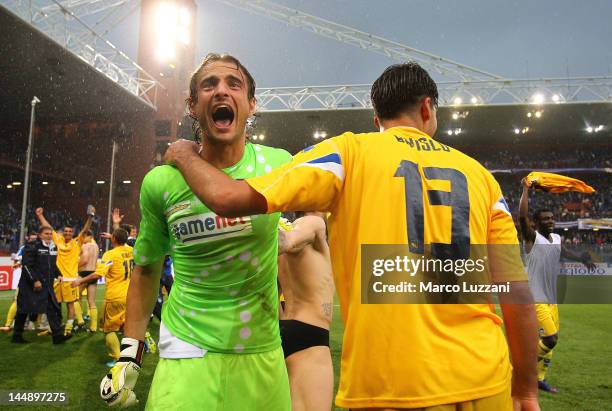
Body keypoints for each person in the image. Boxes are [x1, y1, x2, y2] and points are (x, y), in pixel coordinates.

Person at [165, 62, 541, 410]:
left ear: (376, 117)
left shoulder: (349, 154)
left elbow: (228, 198)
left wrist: (183, 154)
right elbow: (516, 292)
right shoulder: (481, 178)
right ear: (428, 109)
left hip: (392, 385)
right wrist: (524, 388)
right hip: (486, 376)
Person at [100, 53, 293, 409]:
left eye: (234, 84)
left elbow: (320, 215)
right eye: (209, 84)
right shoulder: (161, 182)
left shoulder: (278, 165)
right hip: (186, 348)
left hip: (260, 350)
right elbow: (146, 269)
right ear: (192, 104)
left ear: (251, 104)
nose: (221, 91)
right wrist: (129, 354)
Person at [519, 178, 596, 393]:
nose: (550, 221)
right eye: (545, 219)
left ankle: (539, 379)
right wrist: (526, 190)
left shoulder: (555, 238)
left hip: (551, 300)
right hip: (536, 298)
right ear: (535, 223)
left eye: (552, 218)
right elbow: (522, 217)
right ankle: (523, 372)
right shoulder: (531, 238)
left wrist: (581, 258)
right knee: (550, 339)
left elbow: (563, 252)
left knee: (553, 340)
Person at [277, 213, 334, 411]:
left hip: (285, 329)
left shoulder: (288, 230)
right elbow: (290, 240)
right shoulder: (312, 221)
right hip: (311, 336)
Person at [74, 229, 133, 366]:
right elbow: (123, 242)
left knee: (109, 330)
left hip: (115, 297)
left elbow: (98, 274)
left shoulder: (110, 255)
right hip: (130, 296)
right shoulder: (131, 250)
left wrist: (80, 281)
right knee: (127, 327)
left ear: (113, 239)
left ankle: (118, 359)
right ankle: (141, 347)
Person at [35, 206, 94, 335]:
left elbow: (85, 230)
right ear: (63, 232)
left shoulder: (77, 242)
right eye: (65, 231)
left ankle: (68, 327)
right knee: (55, 304)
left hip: (71, 281)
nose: (67, 233)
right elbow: (49, 228)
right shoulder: (58, 240)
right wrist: (40, 216)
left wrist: (90, 217)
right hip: (58, 279)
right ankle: (54, 326)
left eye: (70, 231)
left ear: (73, 233)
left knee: (70, 305)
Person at [11, 225, 71, 344]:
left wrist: (58, 274)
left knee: (53, 309)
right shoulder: (33, 246)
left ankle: (57, 336)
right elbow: (27, 265)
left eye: (50, 234)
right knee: (23, 309)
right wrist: (35, 280)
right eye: (46, 234)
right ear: (40, 235)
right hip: (30, 285)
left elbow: (53, 265)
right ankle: (17, 335)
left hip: (47, 285)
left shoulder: (53, 247)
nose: (49, 236)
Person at [78, 230, 99, 332]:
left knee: (76, 297)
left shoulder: (85, 246)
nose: (83, 239)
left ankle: (80, 320)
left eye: (84, 237)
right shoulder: (96, 247)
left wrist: (77, 266)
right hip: (93, 273)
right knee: (91, 301)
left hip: (84, 273)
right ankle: (94, 327)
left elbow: (85, 259)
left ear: (89, 236)